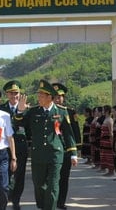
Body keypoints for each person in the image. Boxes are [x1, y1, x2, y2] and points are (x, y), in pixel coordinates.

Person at [14, 79, 77, 210]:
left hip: (55, 154)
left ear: (50, 97)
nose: (39, 98)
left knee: (53, 185)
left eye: (41, 96)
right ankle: (44, 206)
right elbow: (19, 123)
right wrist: (20, 111)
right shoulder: (33, 111)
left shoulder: (61, 111)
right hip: (38, 154)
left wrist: (73, 153)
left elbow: (68, 134)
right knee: (39, 185)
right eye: (38, 95)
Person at [0, 80, 27, 210]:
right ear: (6, 95)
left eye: (16, 93)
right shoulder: (1, 109)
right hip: (5, 147)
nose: (14, 96)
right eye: (11, 93)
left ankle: (16, 200)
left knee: (19, 175)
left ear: (20, 94)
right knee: (5, 174)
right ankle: (7, 195)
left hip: (20, 147)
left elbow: (30, 129)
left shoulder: (27, 109)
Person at [52, 83, 81, 210]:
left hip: (66, 149)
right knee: (52, 178)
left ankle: (61, 202)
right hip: (52, 149)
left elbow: (75, 131)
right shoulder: (49, 111)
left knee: (63, 178)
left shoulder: (69, 112)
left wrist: (76, 149)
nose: (58, 99)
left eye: (60, 97)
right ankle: (52, 200)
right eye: (55, 97)